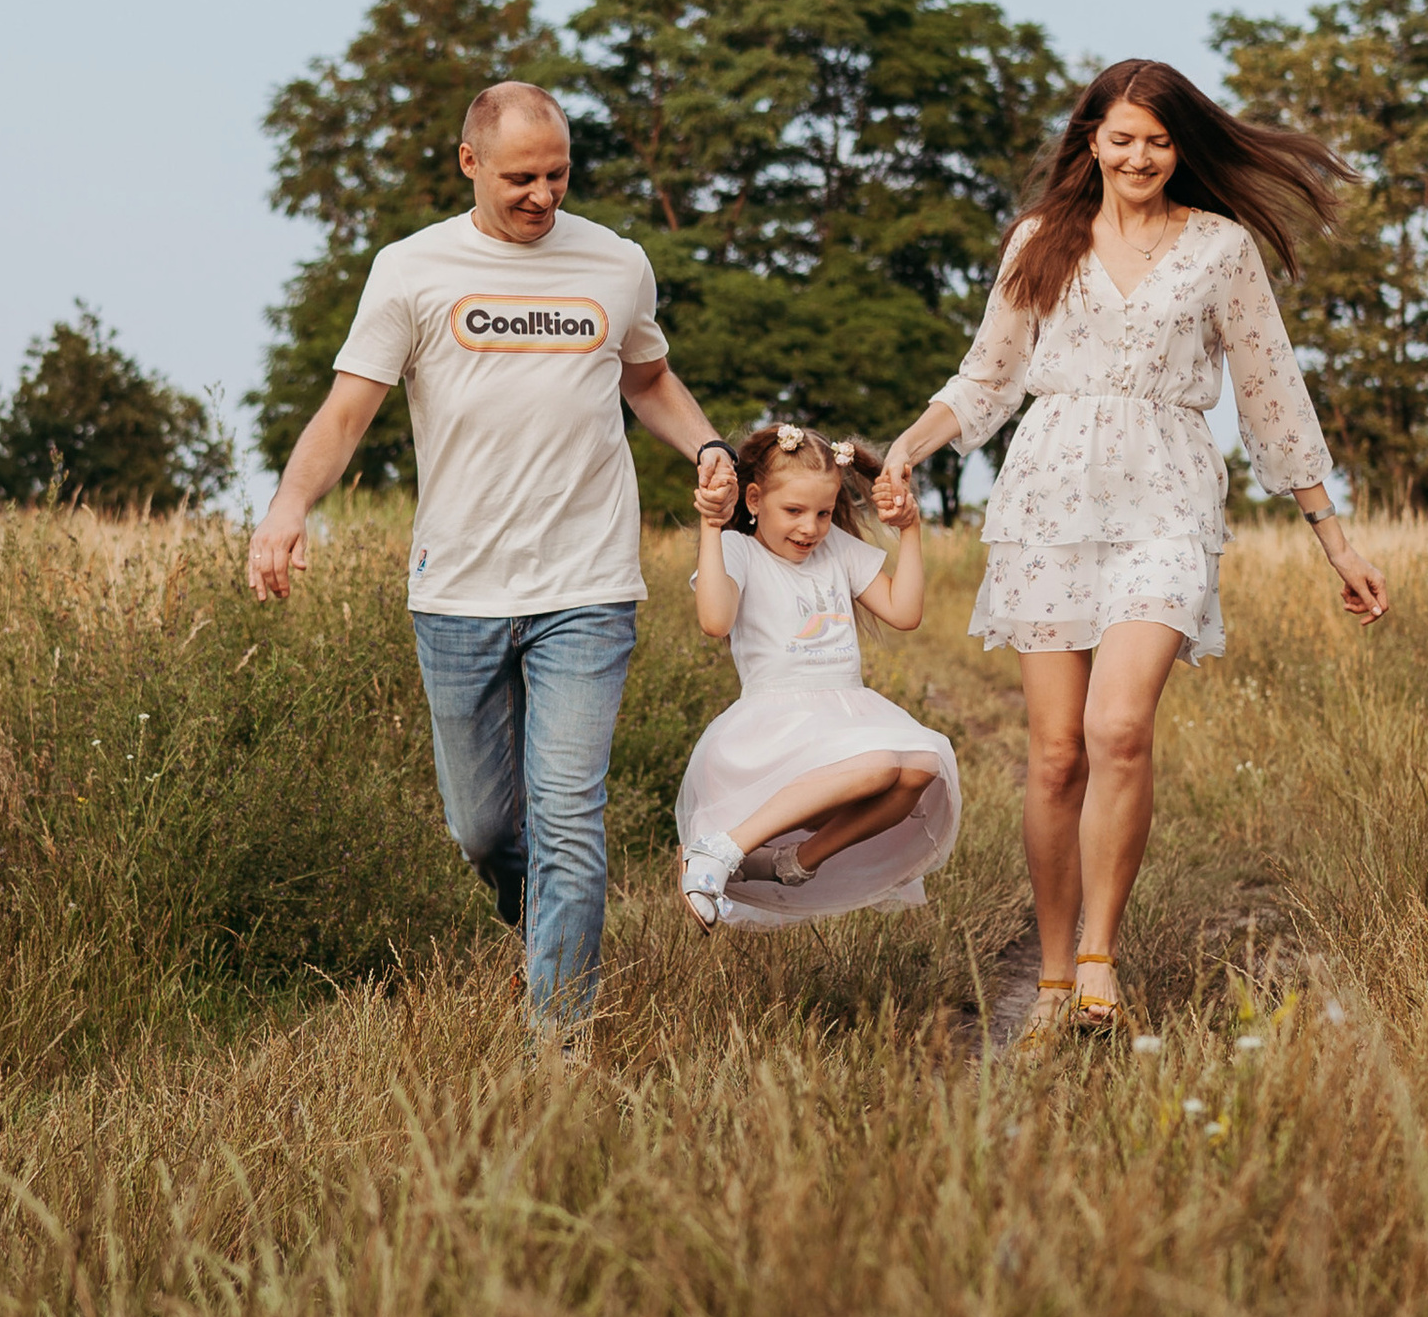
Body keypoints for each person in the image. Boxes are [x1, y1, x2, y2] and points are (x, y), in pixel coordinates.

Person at [875, 58, 1385, 1038]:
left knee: (1117, 730)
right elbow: (986, 379)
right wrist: (907, 445)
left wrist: (1335, 539)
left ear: (1178, 147)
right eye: (1121, 138)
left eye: (1157, 140)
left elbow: (1273, 395)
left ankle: (1102, 959)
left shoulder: (1221, 250)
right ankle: (1056, 972)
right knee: (1057, 756)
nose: (1140, 156)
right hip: (1048, 503)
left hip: (1165, 503)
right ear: (1090, 142)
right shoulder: (1042, 240)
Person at [246, 82, 740, 1030]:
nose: (543, 196)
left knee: (569, 820)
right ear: (469, 162)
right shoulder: (412, 269)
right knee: (480, 827)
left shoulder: (616, 262)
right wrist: (288, 505)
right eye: (521, 177)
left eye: (558, 175)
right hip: (459, 587)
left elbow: (649, 378)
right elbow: (349, 408)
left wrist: (710, 446)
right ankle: (544, 933)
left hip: (588, 583)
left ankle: (560, 1044)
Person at [677, 421, 960, 931]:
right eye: (794, 511)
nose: (811, 528)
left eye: (824, 513)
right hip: (775, 726)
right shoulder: (740, 551)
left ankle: (795, 863)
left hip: (844, 711)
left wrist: (911, 529)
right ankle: (718, 850)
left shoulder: (837, 552)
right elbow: (714, 621)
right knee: (877, 765)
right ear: (755, 498)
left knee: (921, 764)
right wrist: (712, 527)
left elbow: (904, 611)